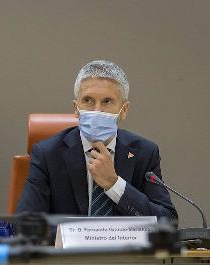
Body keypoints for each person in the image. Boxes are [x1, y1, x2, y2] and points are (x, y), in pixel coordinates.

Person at [16, 60, 178, 222]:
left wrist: (114, 185)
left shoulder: (144, 153)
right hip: (70, 248)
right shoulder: (48, 154)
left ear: (124, 110)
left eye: (107, 101)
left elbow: (167, 222)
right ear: (76, 109)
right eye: (88, 100)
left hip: (126, 247)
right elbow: (26, 223)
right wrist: (81, 235)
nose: (97, 110)